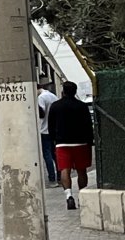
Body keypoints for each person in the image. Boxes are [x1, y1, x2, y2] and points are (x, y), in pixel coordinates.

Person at [48, 80, 94, 210]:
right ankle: (82, 195)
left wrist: (54, 140)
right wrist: (90, 141)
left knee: (64, 170)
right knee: (81, 170)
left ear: (63, 91)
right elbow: (88, 126)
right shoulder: (82, 106)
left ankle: (69, 196)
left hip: (62, 143)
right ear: (75, 92)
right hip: (81, 143)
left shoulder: (55, 106)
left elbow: (50, 126)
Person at [37, 80, 59, 187]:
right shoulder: (53, 96)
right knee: (55, 154)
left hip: (44, 130)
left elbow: (41, 114)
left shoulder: (41, 98)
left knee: (47, 155)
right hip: (54, 130)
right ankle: (60, 177)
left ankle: (52, 179)